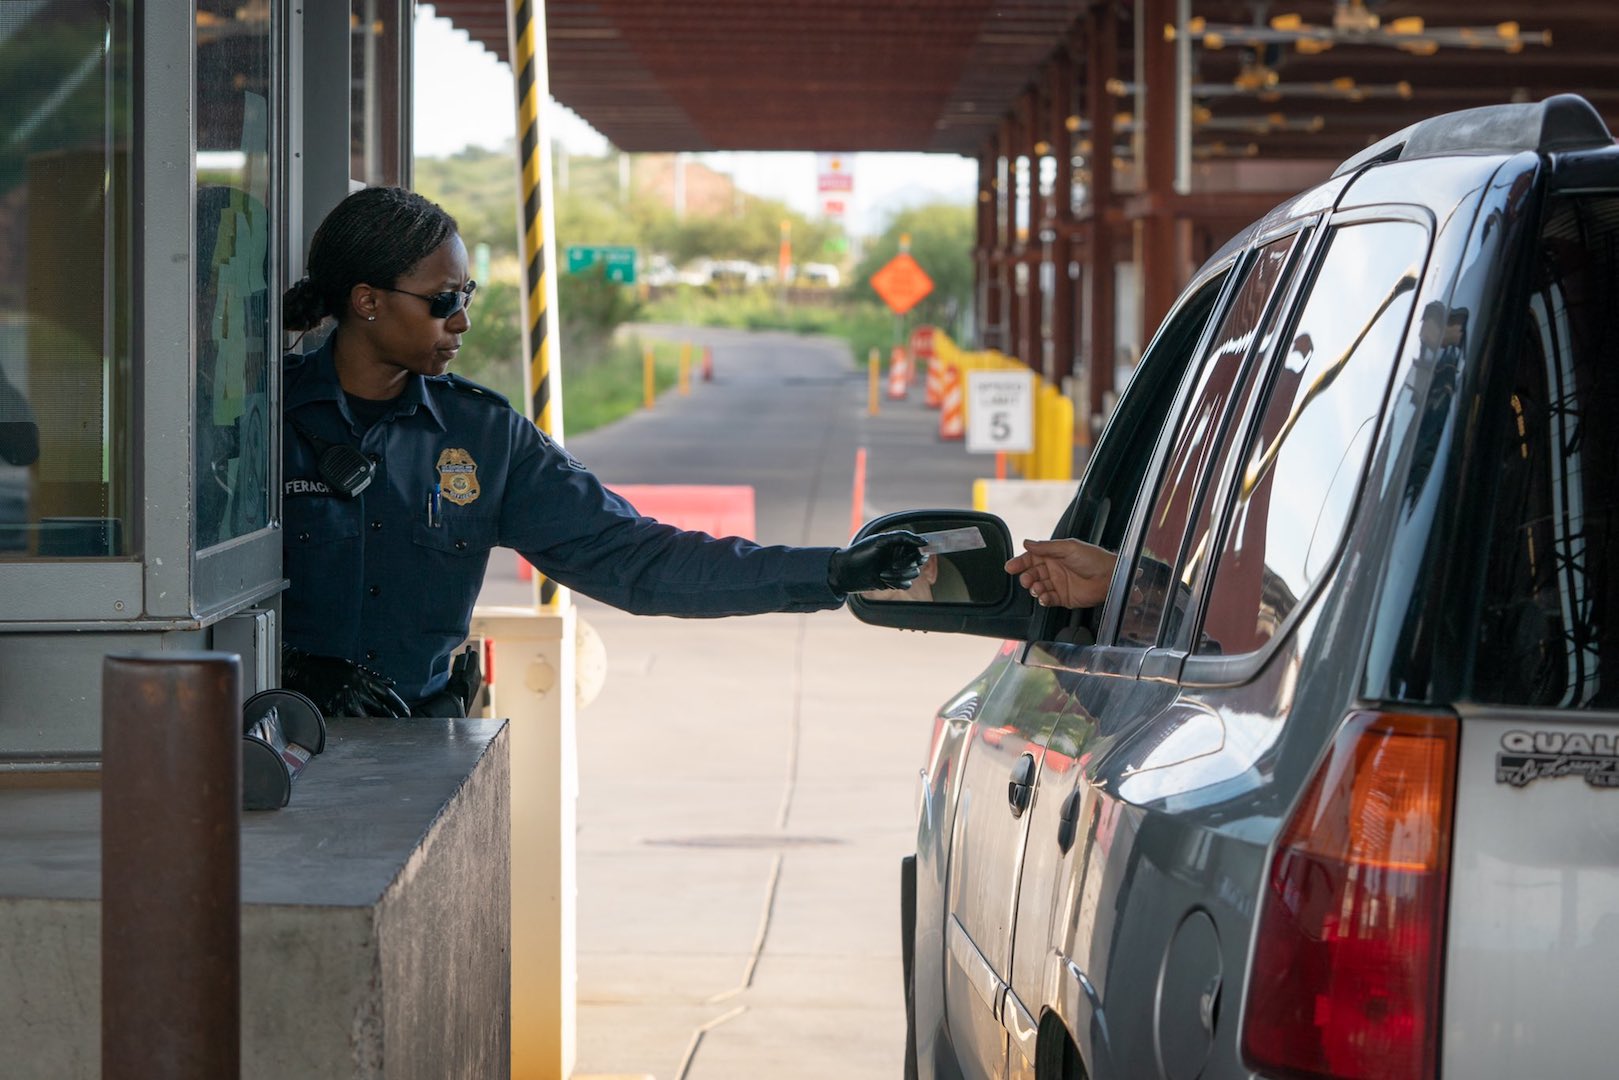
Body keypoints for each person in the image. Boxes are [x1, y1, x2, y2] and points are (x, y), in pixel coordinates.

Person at [278, 186, 925, 718]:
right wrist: (293, 668)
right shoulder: (262, 425)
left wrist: (832, 571)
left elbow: (636, 559)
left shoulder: (484, 438)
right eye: (443, 301)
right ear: (367, 301)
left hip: (416, 758)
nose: (462, 321)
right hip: (268, 744)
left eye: (466, 297)